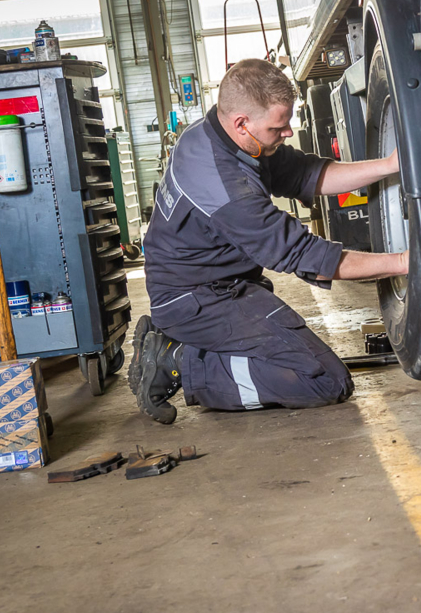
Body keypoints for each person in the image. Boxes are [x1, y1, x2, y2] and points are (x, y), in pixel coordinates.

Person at [129, 58, 405, 424]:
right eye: (278, 126)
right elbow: (307, 255)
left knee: (299, 359)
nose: (288, 132)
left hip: (219, 284)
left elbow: (306, 174)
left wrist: (389, 165)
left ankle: (185, 348)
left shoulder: (226, 137)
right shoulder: (225, 189)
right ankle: (177, 360)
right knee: (323, 381)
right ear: (242, 123)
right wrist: (404, 262)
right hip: (197, 301)